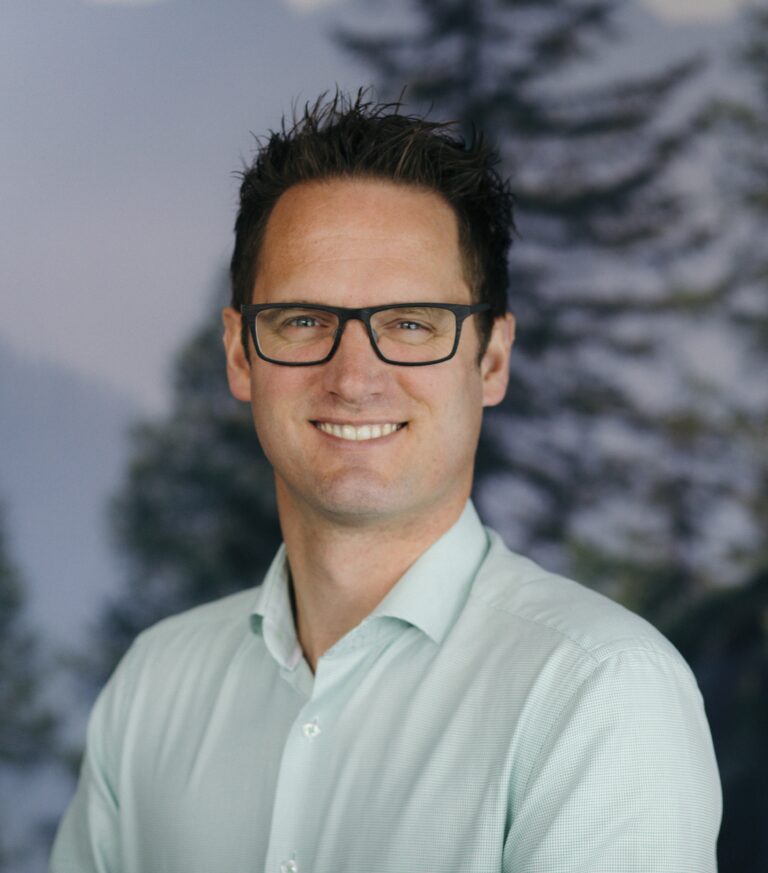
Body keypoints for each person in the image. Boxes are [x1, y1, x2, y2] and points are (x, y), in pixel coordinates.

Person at [50, 92, 722, 873]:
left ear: (491, 360)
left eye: (410, 323)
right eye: (304, 319)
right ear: (240, 354)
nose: (354, 377)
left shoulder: (597, 692)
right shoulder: (152, 687)